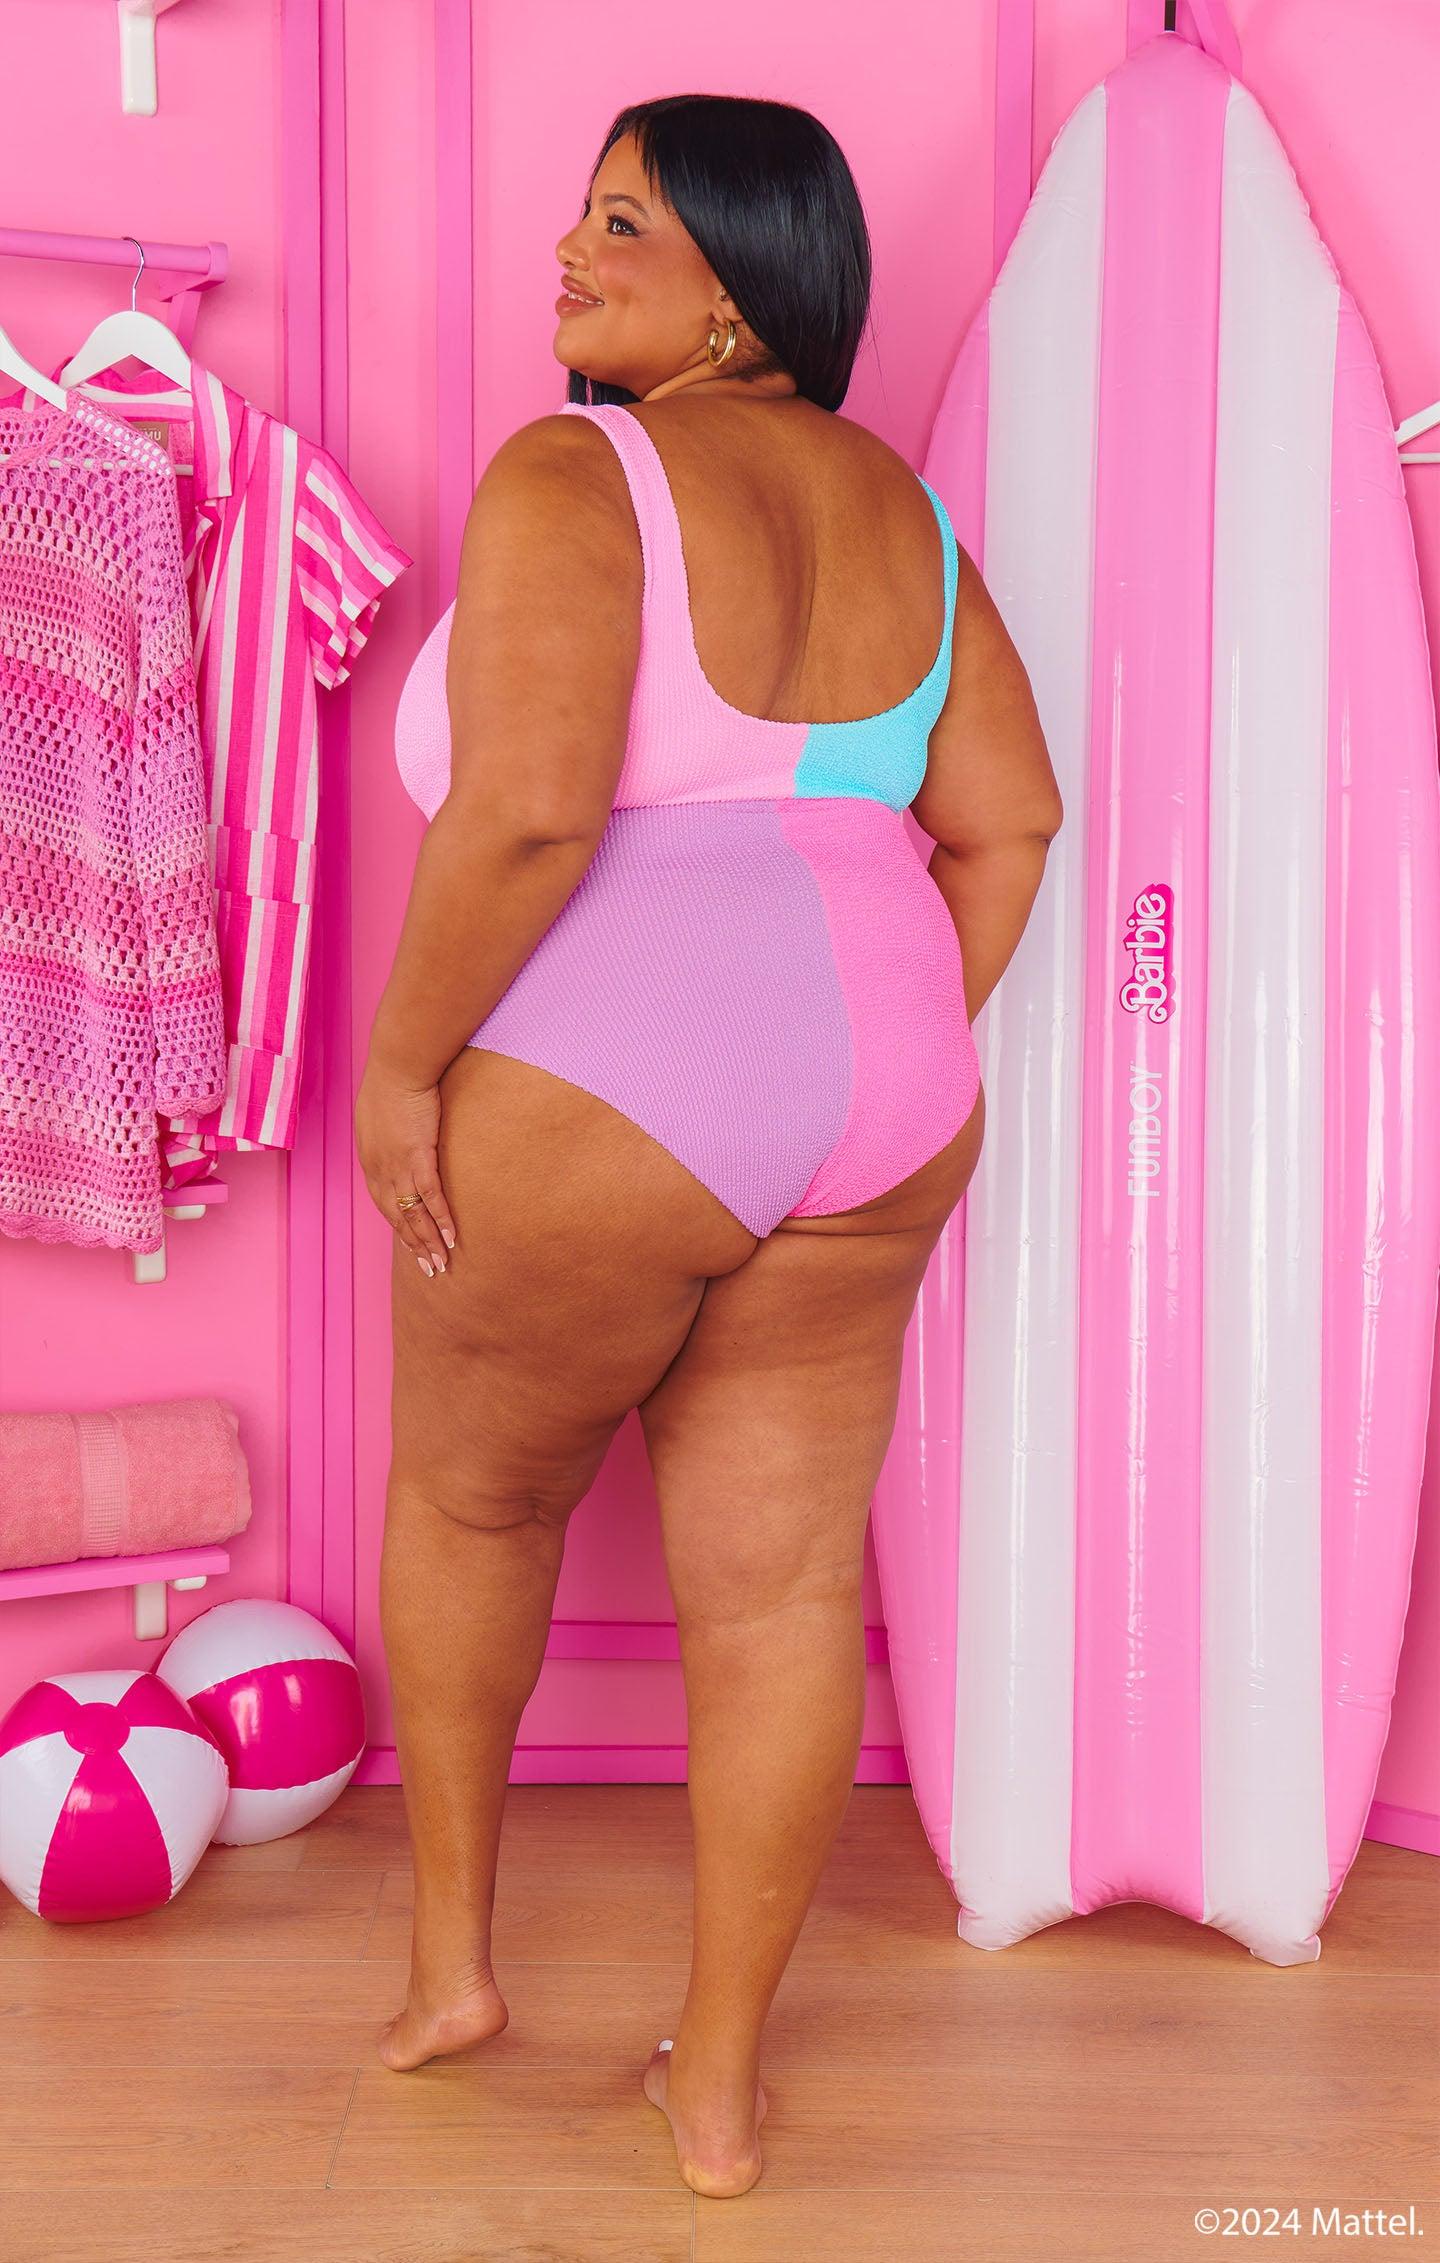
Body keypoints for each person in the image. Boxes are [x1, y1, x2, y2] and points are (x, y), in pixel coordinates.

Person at [355, 92, 1061, 2202]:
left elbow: (531, 812)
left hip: (613, 1065)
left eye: (623, 225)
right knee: (778, 1600)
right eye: (582, 217)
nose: (569, 258)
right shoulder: (912, 517)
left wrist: (403, 1070)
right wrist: (884, 1035)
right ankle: (722, 2091)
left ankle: (452, 1975)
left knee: (476, 1505)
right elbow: (1012, 824)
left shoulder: (578, 470)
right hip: (888, 1081)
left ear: (744, 288)